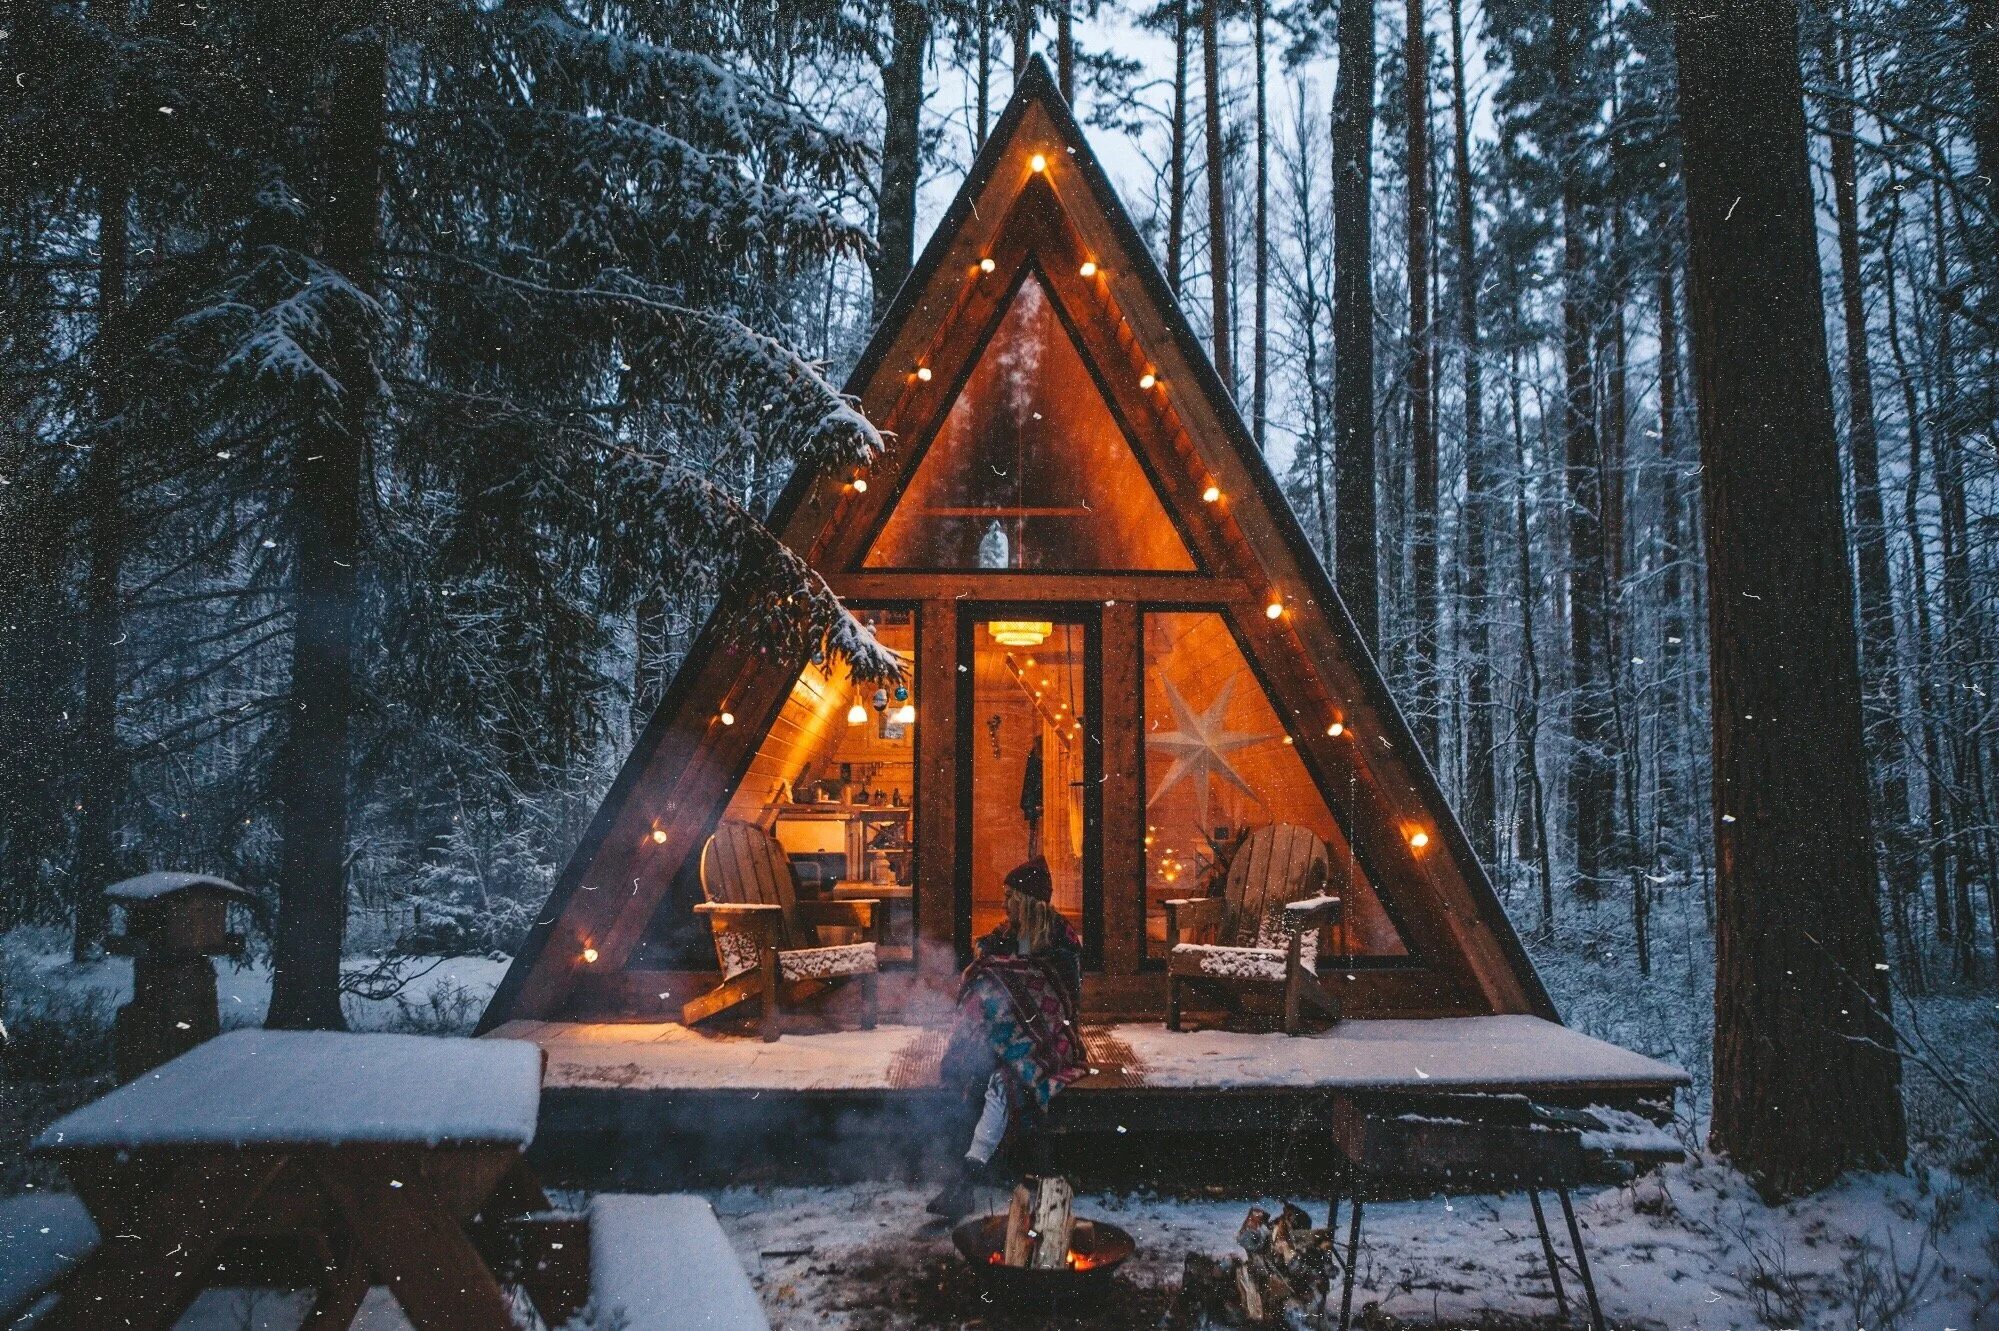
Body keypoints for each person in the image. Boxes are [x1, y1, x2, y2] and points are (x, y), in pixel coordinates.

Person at [927, 857, 1086, 1220]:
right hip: (1012, 1039)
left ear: (1027, 901)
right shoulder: (1007, 935)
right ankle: (970, 1171)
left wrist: (1012, 979)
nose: (1003, 905)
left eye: (1009, 897)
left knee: (1004, 1080)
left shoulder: (1061, 941)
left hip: (1052, 1040)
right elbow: (990, 980)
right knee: (981, 1062)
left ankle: (968, 1178)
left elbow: (1063, 1000)